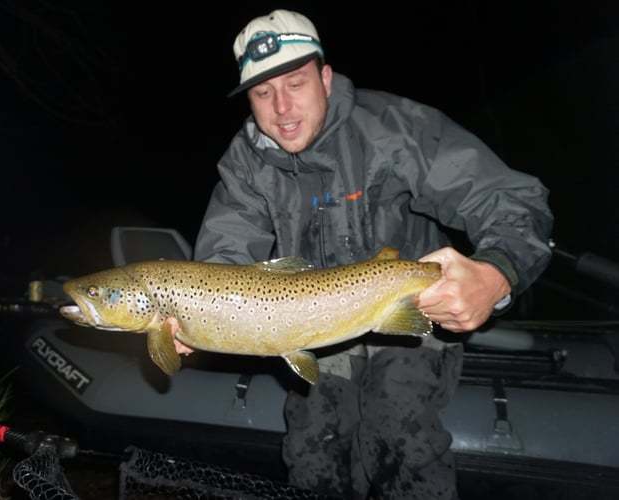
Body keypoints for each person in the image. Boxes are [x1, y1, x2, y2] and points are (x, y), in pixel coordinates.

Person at [186, 9, 553, 500]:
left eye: (295, 83)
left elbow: (511, 200)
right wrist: (195, 318)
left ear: (325, 76)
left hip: (412, 313)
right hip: (310, 325)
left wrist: (495, 275)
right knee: (314, 454)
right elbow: (222, 262)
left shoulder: (397, 129)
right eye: (262, 93)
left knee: (400, 439)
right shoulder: (245, 163)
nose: (281, 108)